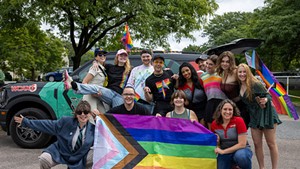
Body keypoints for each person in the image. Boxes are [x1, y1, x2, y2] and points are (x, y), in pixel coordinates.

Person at [14, 100, 97, 169]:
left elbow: (107, 136)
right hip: (61, 152)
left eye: (85, 112)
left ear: (90, 114)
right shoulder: (66, 122)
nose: (82, 115)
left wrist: (98, 118)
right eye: (79, 112)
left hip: (80, 158)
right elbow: (46, 124)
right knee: (44, 159)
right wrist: (26, 122)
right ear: (76, 113)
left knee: (97, 154)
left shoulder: (94, 129)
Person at [237, 63, 282, 169]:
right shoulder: (239, 85)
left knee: (271, 143)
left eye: (244, 72)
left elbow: (268, 95)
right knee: (257, 144)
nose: (242, 74)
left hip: (266, 114)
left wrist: (265, 100)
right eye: (240, 72)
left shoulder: (254, 83)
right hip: (254, 116)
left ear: (248, 72)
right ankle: (262, 167)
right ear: (237, 73)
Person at [64, 49, 132, 108]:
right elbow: (100, 63)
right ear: (117, 57)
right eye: (121, 55)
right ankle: (73, 85)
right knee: (96, 88)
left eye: (125, 56)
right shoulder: (110, 67)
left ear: (127, 58)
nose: (123, 57)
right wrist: (95, 62)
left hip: (119, 96)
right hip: (108, 93)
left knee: (115, 117)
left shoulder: (130, 70)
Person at [211, 99, 252, 169]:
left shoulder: (239, 120)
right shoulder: (214, 124)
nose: (227, 112)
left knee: (241, 157)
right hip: (224, 151)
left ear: (233, 111)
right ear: (220, 110)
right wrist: (217, 141)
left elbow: (242, 144)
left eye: (230, 110)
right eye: (225, 109)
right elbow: (215, 144)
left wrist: (223, 151)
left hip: (241, 150)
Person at [216, 51, 250, 128]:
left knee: (240, 131)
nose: (224, 63)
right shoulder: (223, 73)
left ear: (231, 62)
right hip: (231, 107)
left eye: (227, 62)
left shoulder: (237, 71)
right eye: (223, 61)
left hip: (242, 106)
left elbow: (250, 82)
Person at [200, 54, 227, 130]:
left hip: (222, 102)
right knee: (211, 127)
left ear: (216, 65)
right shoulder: (203, 76)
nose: (208, 66)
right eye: (207, 63)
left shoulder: (222, 74)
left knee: (222, 126)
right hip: (210, 102)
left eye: (211, 64)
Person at [82, 48, 108, 113]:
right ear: (96, 57)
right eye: (100, 55)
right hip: (90, 97)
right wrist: (92, 92)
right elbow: (84, 82)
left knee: (103, 117)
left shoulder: (102, 68)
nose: (102, 56)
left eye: (104, 55)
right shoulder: (95, 68)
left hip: (98, 97)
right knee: (91, 118)